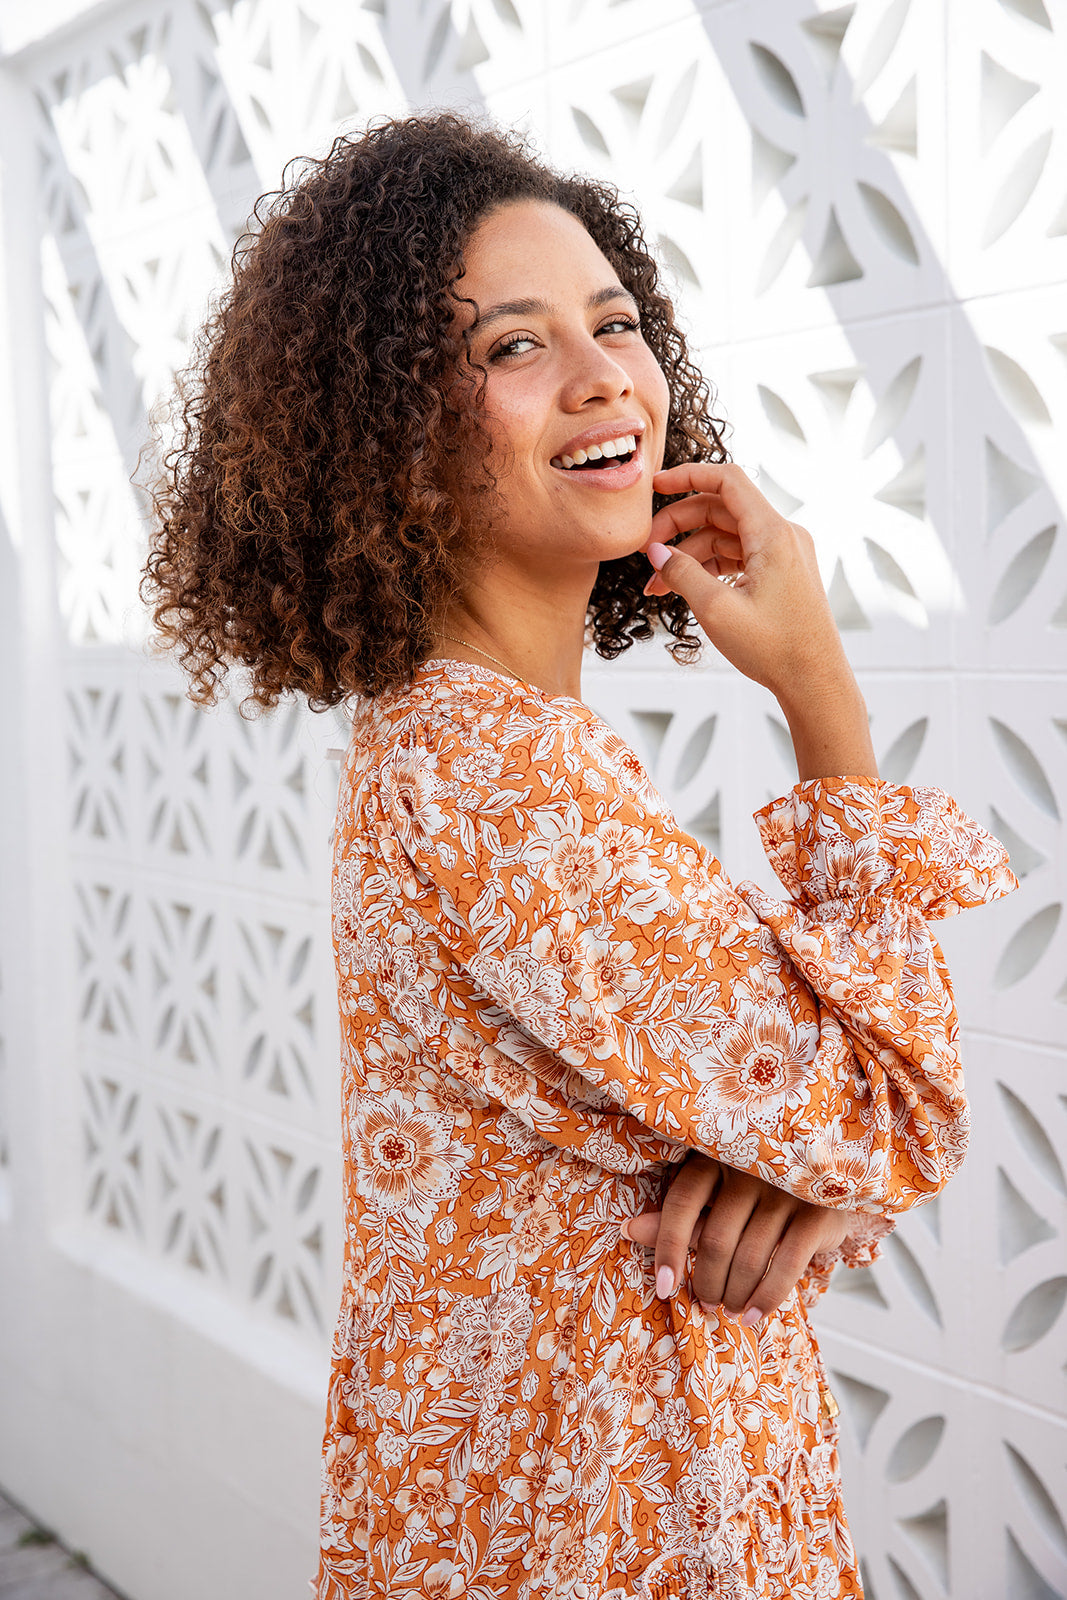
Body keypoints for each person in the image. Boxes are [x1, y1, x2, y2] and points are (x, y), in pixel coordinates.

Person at [142, 112, 1016, 1600]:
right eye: (513, 346)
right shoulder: (500, 787)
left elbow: (812, 1112)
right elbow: (888, 1105)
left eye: (617, 321)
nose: (609, 373)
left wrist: (783, 1165)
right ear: (382, 434)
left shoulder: (461, 744)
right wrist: (822, 692)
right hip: (614, 1527)